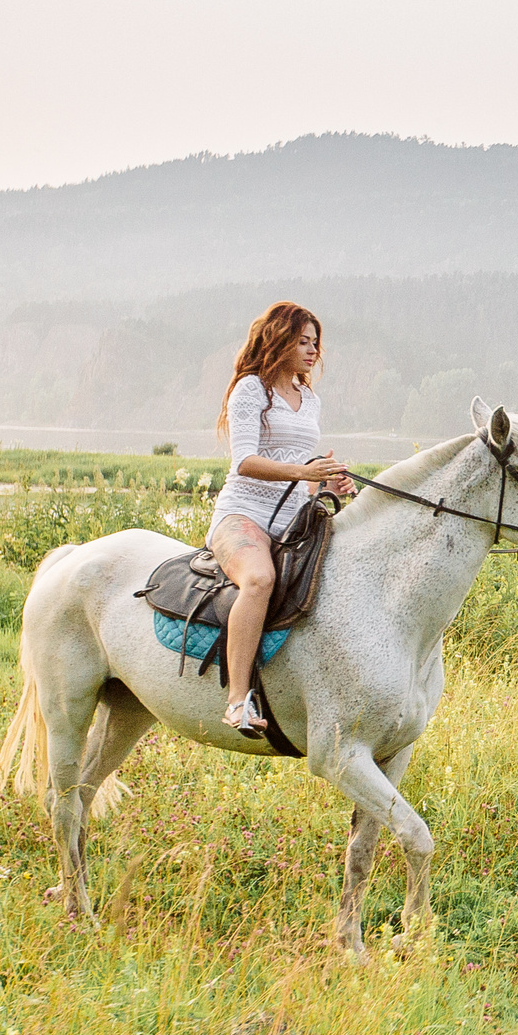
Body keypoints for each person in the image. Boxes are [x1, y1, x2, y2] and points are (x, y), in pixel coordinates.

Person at [209, 301, 353, 735]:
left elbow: (303, 463)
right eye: (303, 341)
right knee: (259, 581)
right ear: (280, 340)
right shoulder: (250, 390)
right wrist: (305, 471)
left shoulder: (308, 397)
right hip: (243, 513)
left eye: (315, 343)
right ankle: (237, 701)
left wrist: (327, 481)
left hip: (292, 519)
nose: (313, 351)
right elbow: (246, 461)